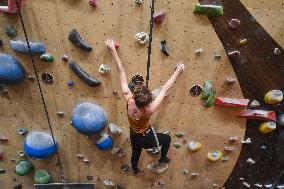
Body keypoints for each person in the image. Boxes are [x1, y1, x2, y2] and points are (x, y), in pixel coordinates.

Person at [105, 39, 185, 176]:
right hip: (146, 137)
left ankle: (135, 169)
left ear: (135, 96)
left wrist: (113, 49)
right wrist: (177, 71)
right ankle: (163, 157)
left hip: (133, 134)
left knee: (136, 151)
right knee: (167, 140)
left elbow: (121, 71)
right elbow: (165, 89)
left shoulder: (129, 99)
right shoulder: (148, 111)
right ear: (148, 103)